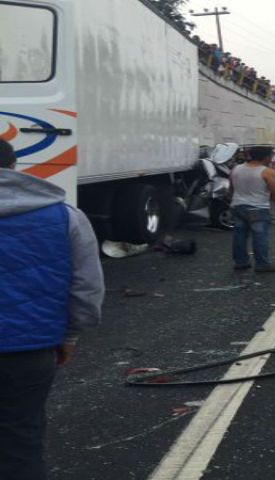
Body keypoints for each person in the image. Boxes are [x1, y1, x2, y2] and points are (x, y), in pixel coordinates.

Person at [0, 139, 104, 479]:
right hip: (30, 349)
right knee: (21, 437)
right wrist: (71, 336)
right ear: (14, 166)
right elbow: (87, 287)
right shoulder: (65, 216)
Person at [230, 146, 275, 272]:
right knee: (260, 236)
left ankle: (241, 262)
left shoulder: (236, 168)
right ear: (266, 157)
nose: (272, 159)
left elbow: (231, 188)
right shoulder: (267, 171)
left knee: (239, 235)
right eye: (271, 156)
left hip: (237, 205)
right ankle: (262, 264)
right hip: (257, 208)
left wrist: (232, 201)